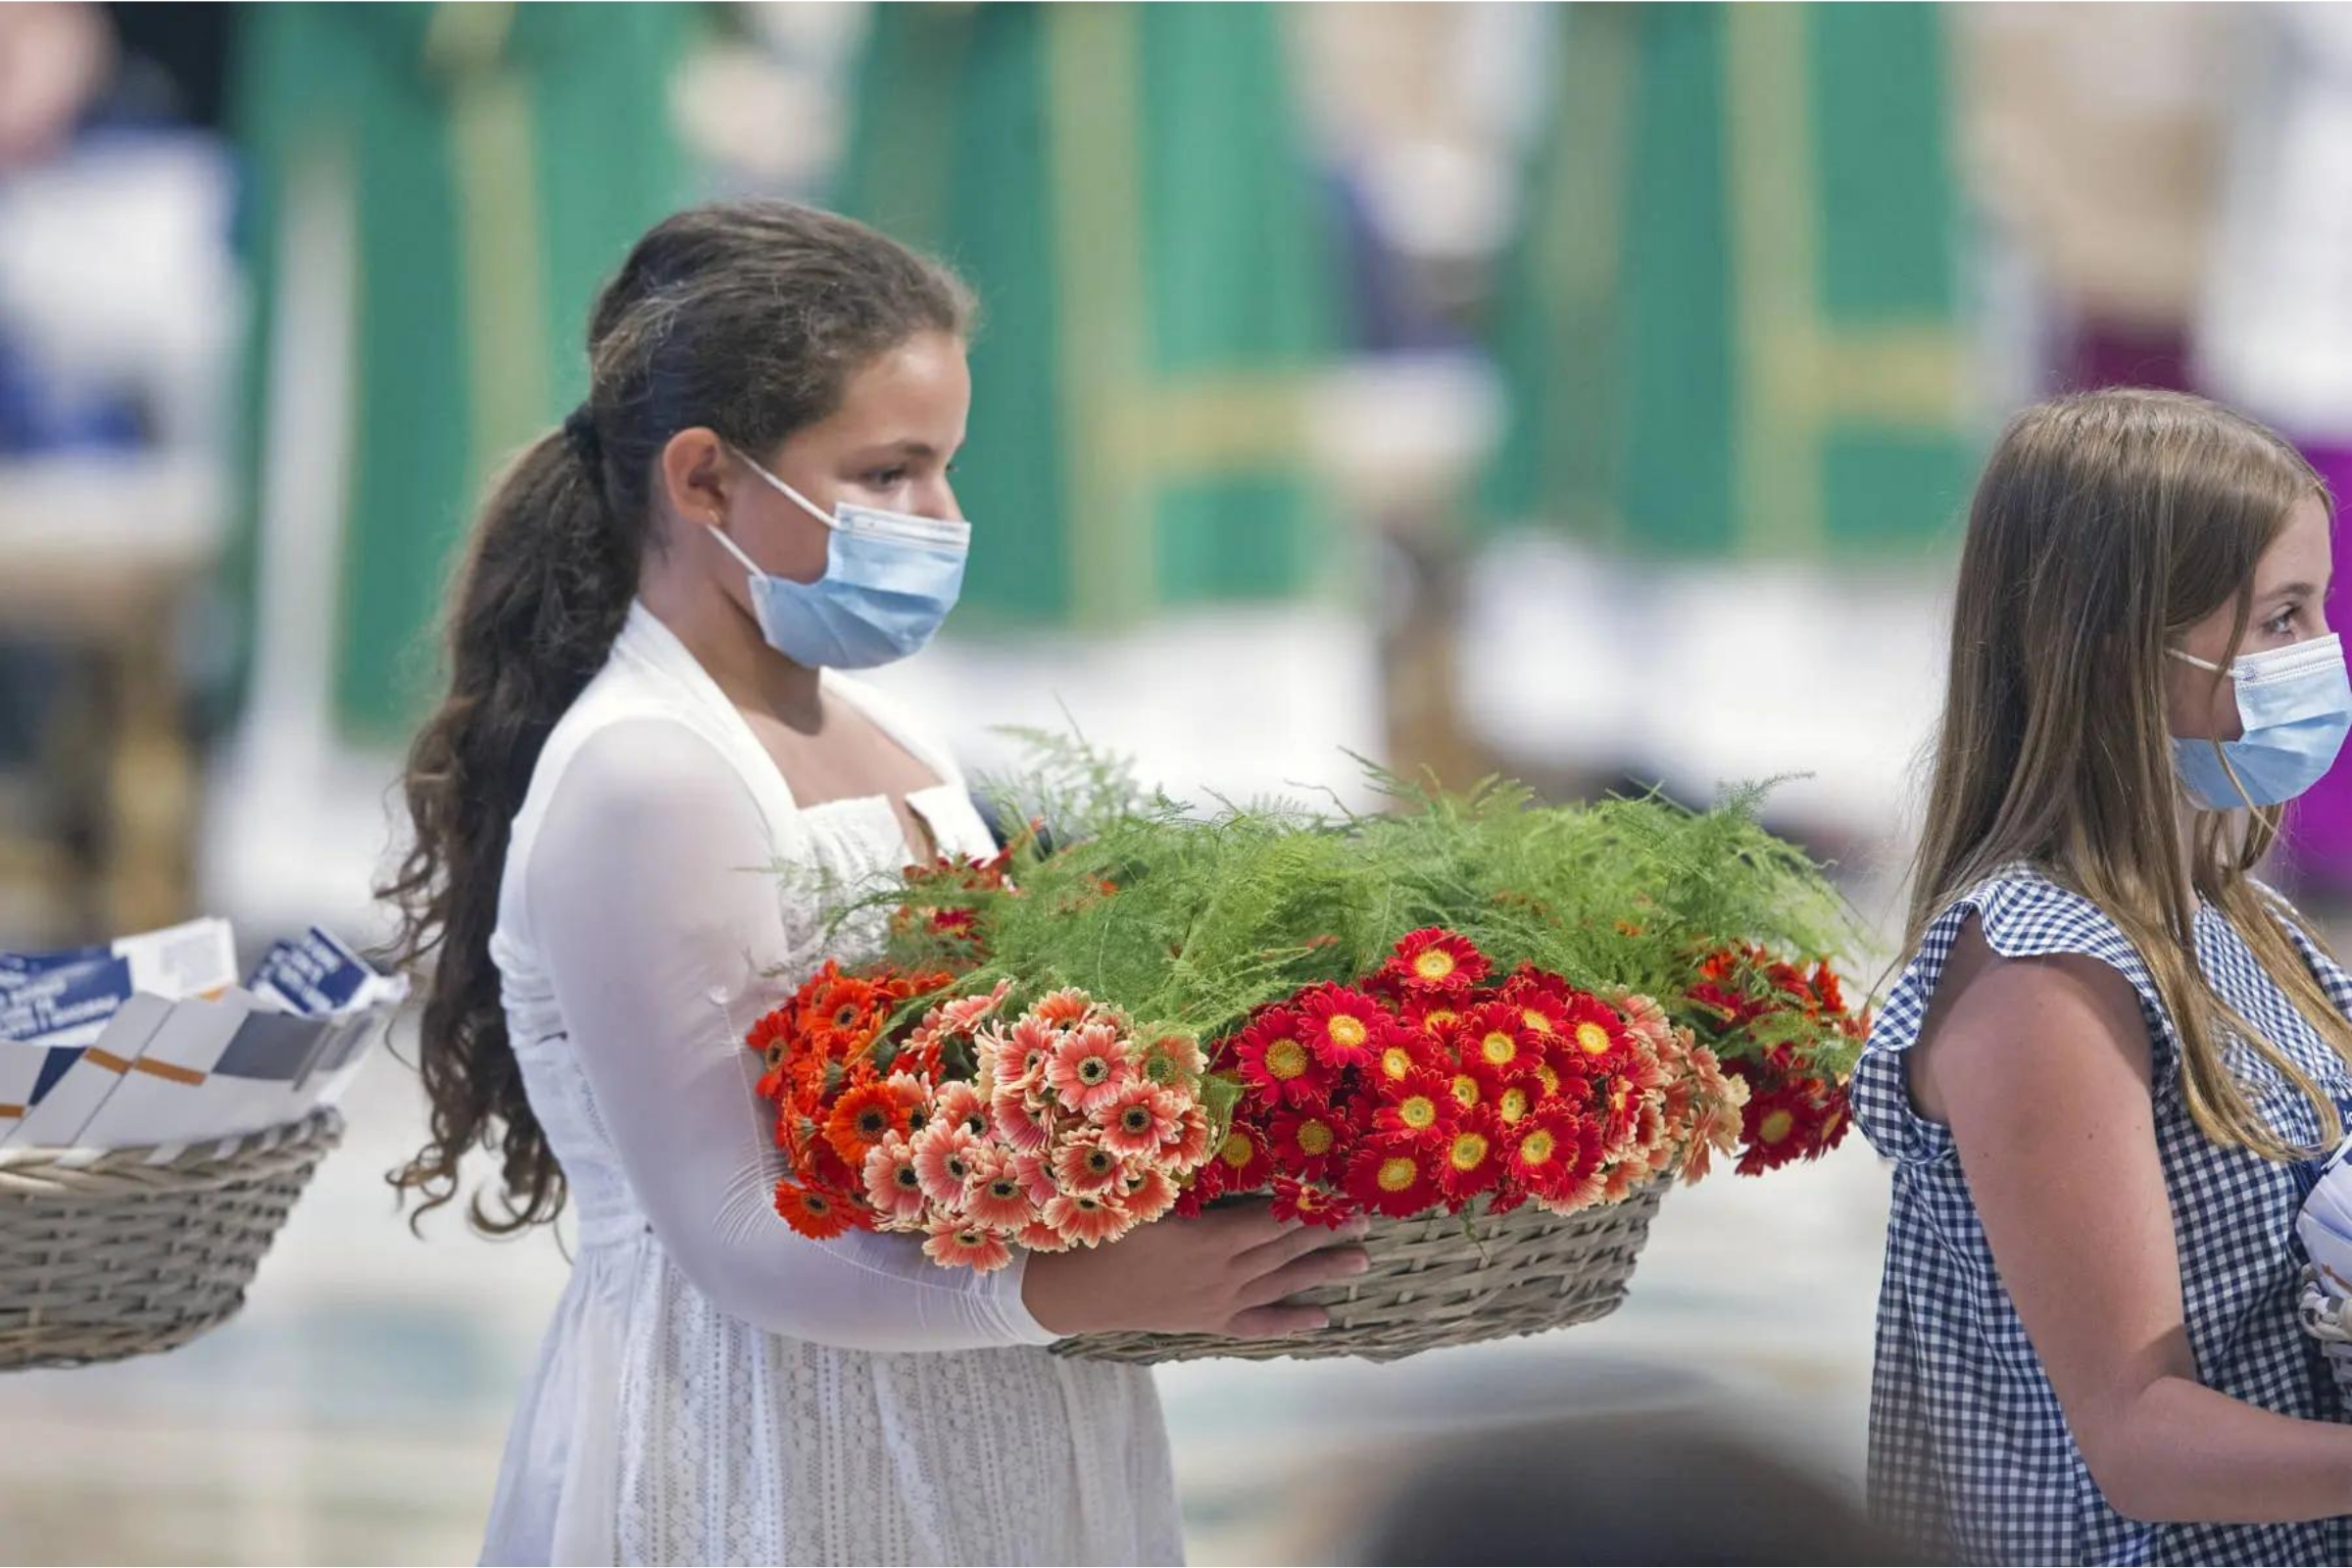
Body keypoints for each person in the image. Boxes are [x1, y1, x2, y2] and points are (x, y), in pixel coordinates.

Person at [379, 201, 1369, 1566]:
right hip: (765, 1451)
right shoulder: (651, 775)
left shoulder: (885, 742)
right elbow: (734, 1230)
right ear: (706, 481)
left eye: (945, 468)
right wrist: (1073, 1289)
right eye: (889, 473)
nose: (941, 520)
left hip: (992, 1419)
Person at [1855, 387, 2352, 1562]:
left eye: (2320, 607)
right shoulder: (2043, 974)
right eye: (2282, 618)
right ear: (2126, 653)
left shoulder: (2232, 909)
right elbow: (2140, 1439)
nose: (2321, 653)